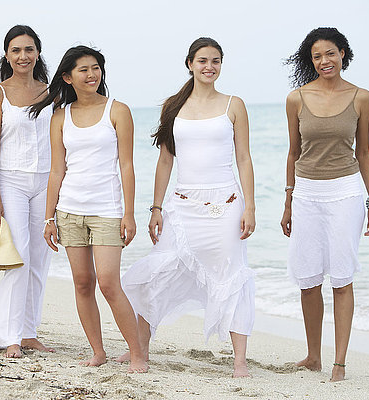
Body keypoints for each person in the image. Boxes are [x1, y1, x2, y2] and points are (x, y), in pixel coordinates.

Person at [120, 37, 256, 378]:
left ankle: (239, 362)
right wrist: (155, 208)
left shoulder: (233, 105)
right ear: (190, 64)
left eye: (215, 61)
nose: (209, 66)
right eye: (202, 60)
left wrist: (250, 206)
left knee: (232, 275)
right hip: (181, 207)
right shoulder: (174, 106)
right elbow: (165, 160)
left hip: (225, 205)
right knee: (158, 273)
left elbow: (244, 158)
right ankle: (140, 349)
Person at [30, 46, 148, 373]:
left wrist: (129, 213)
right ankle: (98, 352)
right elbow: (57, 170)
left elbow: (127, 166)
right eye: (83, 70)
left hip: (107, 210)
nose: (91, 75)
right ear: (68, 77)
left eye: (95, 68)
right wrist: (48, 217)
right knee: (83, 283)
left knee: (109, 283)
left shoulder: (118, 110)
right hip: (69, 211)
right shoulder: (59, 117)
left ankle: (137, 353)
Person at [281, 27, 369, 382]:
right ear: (311, 61)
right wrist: (288, 201)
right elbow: (293, 152)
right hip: (306, 193)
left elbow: (364, 152)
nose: (325, 61)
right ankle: (312, 356)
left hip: (345, 193)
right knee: (308, 279)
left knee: (341, 277)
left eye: (330, 54)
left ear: (343, 54)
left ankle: (339, 362)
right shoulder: (296, 98)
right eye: (317, 56)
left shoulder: (361, 97)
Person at [0, 25, 54, 358]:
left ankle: (28, 332)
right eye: (16, 50)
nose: (23, 56)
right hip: (11, 181)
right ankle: (8, 336)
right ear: (7, 55)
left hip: (46, 182)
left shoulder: (52, 91)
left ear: (37, 52)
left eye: (28, 49)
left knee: (40, 259)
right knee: (19, 257)